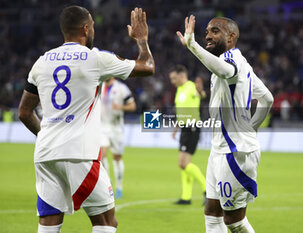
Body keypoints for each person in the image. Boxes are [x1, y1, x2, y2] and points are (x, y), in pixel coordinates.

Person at [18, 6, 154, 233]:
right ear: (85, 28)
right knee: (106, 223)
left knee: (49, 224)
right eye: (92, 26)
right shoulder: (96, 59)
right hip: (80, 155)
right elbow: (148, 67)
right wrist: (142, 40)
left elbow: (24, 112)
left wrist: (48, 137)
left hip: (45, 154)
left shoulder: (41, 62)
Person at [177, 15, 274, 233]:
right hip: (219, 151)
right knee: (212, 214)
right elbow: (267, 98)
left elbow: (224, 70)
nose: (208, 36)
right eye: (206, 33)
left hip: (235, 153)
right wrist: (252, 128)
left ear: (231, 37)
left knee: (235, 222)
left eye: (215, 31)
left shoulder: (233, 61)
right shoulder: (241, 64)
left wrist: (192, 45)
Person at [169, 65, 207, 205]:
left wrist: (201, 91)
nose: (172, 81)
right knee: (184, 164)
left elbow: (200, 95)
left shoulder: (191, 86)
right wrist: (175, 129)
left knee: (183, 163)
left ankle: (207, 189)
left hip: (192, 127)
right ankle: (186, 196)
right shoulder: (179, 90)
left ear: (181, 76)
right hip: (184, 128)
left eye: (174, 78)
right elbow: (181, 112)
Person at [100, 77, 136, 199]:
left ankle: (119, 186)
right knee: (101, 155)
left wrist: (121, 107)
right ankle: (107, 183)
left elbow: (132, 106)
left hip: (116, 128)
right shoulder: (99, 85)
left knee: (117, 158)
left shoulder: (121, 88)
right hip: (102, 127)